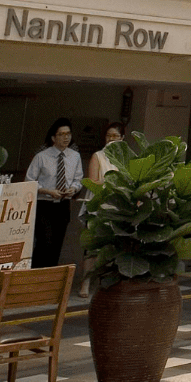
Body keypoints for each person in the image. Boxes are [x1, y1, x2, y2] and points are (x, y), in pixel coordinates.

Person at [72, 122, 126, 296]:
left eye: (115, 136)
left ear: (122, 139)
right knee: (92, 247)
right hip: (98, 206)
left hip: (117, 207)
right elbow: (93, 181)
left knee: (114, 246)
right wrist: (111, 181)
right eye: (108, 136)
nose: (111, 139)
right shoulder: (98, 156)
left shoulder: (126, 159)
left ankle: (107, 282)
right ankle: (85, 283)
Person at [26, 118, 82, 268]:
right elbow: (29, 181)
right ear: (53, 137)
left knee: (57, 243)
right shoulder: (41, 157)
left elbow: (78, 179)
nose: (66, 137)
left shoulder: (75, 156)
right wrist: (48, 191)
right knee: (45, 242)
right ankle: (36, 275)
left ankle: (50, 280)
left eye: (68, 134)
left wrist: (74, 189)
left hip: (63, 205)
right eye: (62, 134)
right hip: (44, 204)